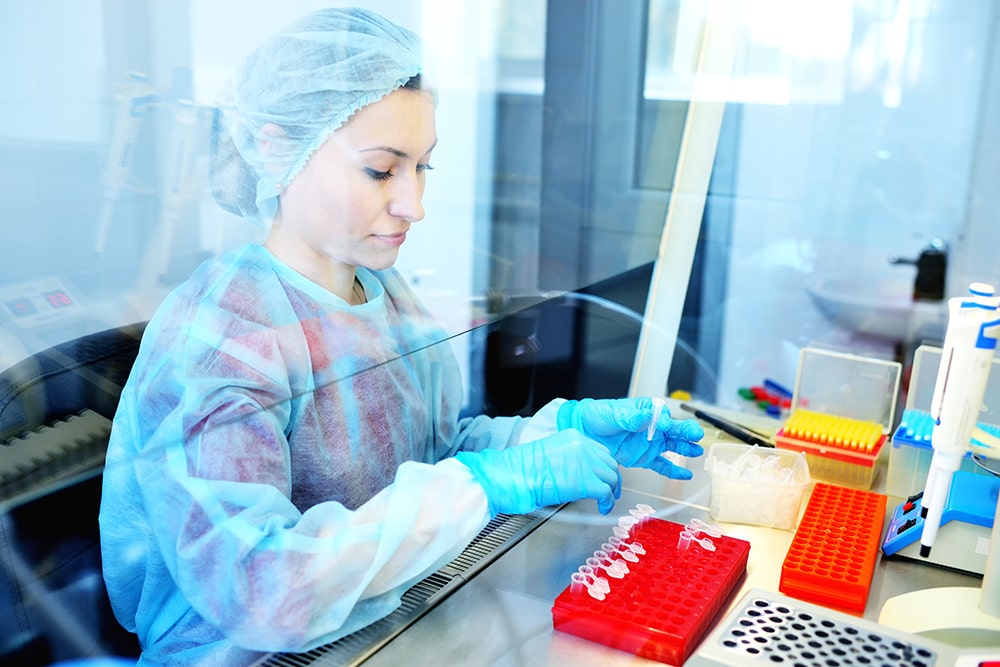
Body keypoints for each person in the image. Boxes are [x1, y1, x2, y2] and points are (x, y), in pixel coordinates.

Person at [98, 7, 705, 665]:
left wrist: (551, 436)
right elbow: (261, 592)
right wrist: (484, 483)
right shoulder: (220, 340)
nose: (415, 204)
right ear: (277, 149)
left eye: (424, 167)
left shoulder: (383, 294)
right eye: (382, 169)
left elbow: (433, 454)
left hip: (384, 627)